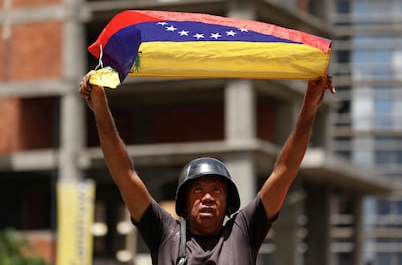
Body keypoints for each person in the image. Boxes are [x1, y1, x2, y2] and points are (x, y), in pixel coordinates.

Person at [79, 73, 335, 265]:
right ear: (185, 201)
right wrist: (100, 107)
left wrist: (310, 104)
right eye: (198, 190)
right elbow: (125, 175)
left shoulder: (243, 231)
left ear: (228, 201)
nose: (208, 197)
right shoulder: (164, 233)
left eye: (216, 190)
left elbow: (285, 171)